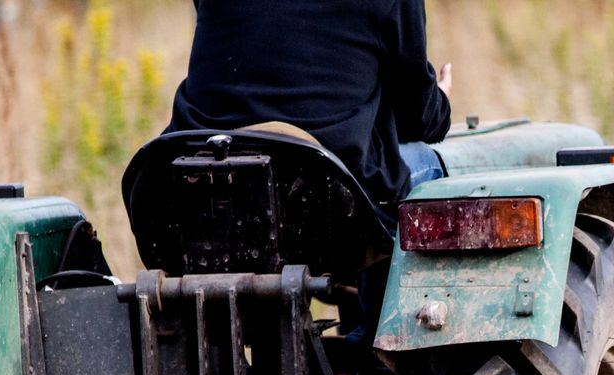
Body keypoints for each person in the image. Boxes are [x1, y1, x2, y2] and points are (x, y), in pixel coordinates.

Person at [169, 0, 453, 225]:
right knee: (428, 165)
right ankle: (380, 298)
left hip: (195, 180)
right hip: (326, 197)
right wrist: (439, 99)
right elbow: (419, 119)